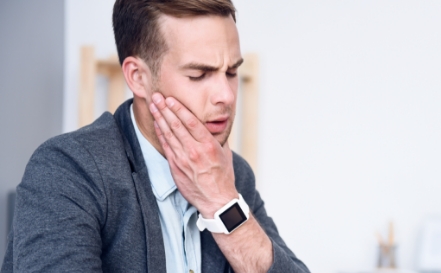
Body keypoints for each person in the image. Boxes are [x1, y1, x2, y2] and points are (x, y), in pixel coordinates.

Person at [1, 0, 309, 272]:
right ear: (138, 77)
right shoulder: (68, 170)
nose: (225, 95)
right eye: (199, 75)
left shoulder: (231, 175)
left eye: (231, 72)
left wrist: (221, 202)